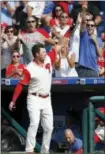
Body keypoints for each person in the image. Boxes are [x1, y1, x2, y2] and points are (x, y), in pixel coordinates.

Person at [9, 43, 62, 154]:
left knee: (49, 127)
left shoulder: (48, 58)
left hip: (47, 98)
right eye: (43, 52)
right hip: (34, 98)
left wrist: (69, 32)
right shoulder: (29, 68)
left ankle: (45, 151)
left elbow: (57, 47)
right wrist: (13, 100)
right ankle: (29, 150)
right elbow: (20, 85)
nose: (45, 53)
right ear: (37, 54)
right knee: (34, 123)